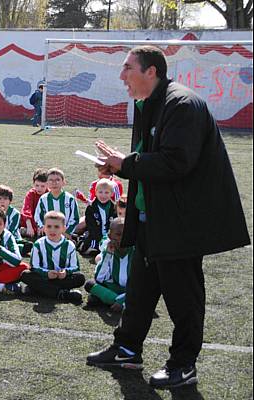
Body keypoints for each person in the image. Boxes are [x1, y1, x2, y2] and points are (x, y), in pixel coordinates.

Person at [86, 45, 250, 389]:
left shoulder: (182, 104)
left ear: (151, 72)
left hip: (180, 223)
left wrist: (126, 163)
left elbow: (176, 162)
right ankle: (127, 349)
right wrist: (121, 165)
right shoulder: (150, 103)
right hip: (151, 218)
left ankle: (183, 364)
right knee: (140, 291)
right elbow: (151, 158)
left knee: (183, 298)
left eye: (127, 68)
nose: (121, 76)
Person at [20, 211, 84, 303]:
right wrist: (47, 273)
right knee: (25, 275)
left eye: (56, 227)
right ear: (44, 228)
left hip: (61, 279)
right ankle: (62, 294)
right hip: (44, 277)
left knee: (80, 277)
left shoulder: (70, 245)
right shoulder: (38, 244)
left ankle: (39, 289)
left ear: (63, 229)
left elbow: (75, 267)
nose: (52, 230)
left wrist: (66, 272)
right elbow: (34, 267)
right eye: (49, 226)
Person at [85, 218, 133, 312]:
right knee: (90, 284)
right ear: (109, 236)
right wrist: (108, 255)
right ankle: (123, 303)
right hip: (115, 288)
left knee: (146, 291)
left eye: (125, 234)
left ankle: (112, 300)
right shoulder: (108, 251)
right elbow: (99, 278)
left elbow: (140, 284)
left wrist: (121, 300)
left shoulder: (136, 252)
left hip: (132, 290)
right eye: (118, 234)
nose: (122, 238)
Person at [34, 168, 80, 237]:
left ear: (63, 182)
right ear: (47, 183)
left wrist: (67, 232)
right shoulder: (43, 199)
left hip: (65, 233)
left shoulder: (70, 199)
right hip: (48, 233)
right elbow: (38, 216)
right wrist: (42, 227)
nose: (54, 183)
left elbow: (75, 218)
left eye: (57, 180)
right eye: (51, 180)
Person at [78, 179, 117, 258]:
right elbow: (91, 226)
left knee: (115, 246)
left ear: (112, 194)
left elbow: (114, 224)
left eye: (106, 192)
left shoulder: (114, 208)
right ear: (95, 193)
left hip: (109, 236)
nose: (103, 195)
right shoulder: (91, 208)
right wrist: (100, 238)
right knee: (90, 247)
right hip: (95, 235)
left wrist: (108, 236)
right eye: (100, 192)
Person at [0, 184, 33, 257]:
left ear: (10, 200)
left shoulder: (15, 214)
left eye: (5, 199)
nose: (2, 201)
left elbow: (12, 230)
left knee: (21, 244)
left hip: (12, 237)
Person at [20, 168, 48, 240]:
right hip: (31, 221)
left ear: (47, 185)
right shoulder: (31, 194)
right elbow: (27, 210)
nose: (39, 188)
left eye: (42, 186)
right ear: (33, 183)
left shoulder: (49, 194)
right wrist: (29, 226)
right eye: (37, 185)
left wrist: (42, 225)